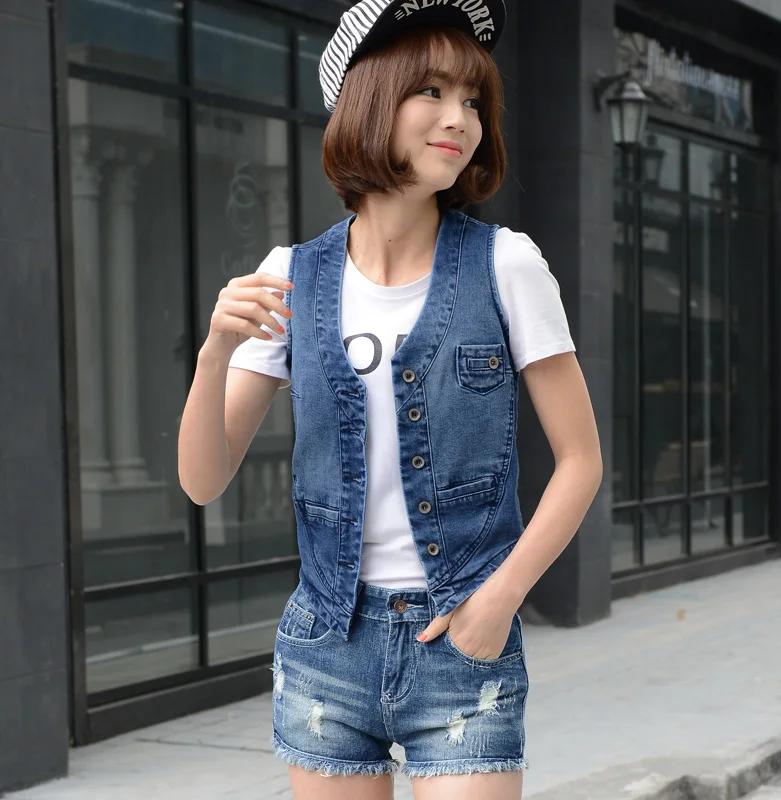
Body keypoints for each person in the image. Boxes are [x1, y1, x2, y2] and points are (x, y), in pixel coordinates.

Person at [178, 1, 602, 798]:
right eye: (431, 92)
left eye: (472, 99)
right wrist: (214, 355)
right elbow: (203, 482)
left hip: (459, 642)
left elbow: (580, 460)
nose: (460, 118)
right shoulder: (290, 276)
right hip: (326, 645)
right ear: (366, 99)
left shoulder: (506, 264)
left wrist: (500, 600)